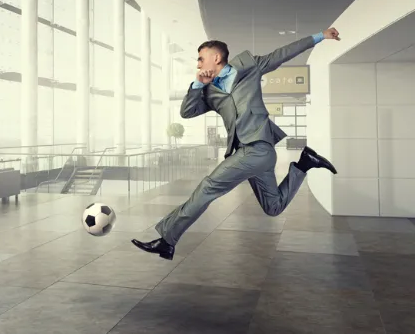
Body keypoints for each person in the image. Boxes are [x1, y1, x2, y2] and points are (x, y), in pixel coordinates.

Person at [132, 28, 340, 260]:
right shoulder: (209, 91)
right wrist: (199, 84)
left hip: (258, 148)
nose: (198, 63)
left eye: (201, 58)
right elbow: (186, 112)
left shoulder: (250, 67)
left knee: (208, 187)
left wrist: (321, 36)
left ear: (216, 58)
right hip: (250, 154)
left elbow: (284, 53)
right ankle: (304, 164)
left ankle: (167, 240)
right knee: (273, 207)